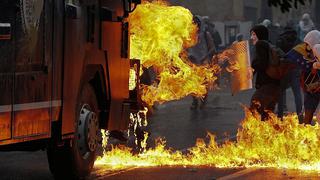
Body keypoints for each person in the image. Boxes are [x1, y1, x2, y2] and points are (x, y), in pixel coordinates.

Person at [286, 30, 320, 124]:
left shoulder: (317, 48)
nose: (307, 46)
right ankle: (306, 131)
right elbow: (289, 59)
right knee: (308, 114)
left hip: (315, 86)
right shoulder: (302, 49)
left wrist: (316, 65)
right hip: (310, 87)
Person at [249, 25, 281, 121]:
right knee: (267, 115)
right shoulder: (269, 44)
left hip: (267, 85)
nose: (251, 38)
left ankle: (253, 134)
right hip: (275, 86)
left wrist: (253, 65)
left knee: (254, 107)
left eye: (254, 35)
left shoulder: (260, 45)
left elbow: (262, 64)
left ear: (260, 34)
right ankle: (270, 135)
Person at [188, 15, 215, 109]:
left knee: (204, 85)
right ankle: (194, 102)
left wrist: (204, 57)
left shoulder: (205, 34)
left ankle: (203, 101)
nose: (195, 24)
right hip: (193, 64)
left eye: (197, 22)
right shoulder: (189, 36)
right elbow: (186, 50)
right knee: (192, 84)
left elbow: (212, 48)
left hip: (204, 63)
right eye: (193, 22)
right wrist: (189, 57)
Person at [276, 26, 303, 121]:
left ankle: (280, 116)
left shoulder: (280, 40)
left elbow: (276, 54)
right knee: (297, 94)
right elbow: (302, 54)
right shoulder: (298, 40)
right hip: (295, 69)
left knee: (281, 93)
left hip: (284, 69)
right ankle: (300, 115)